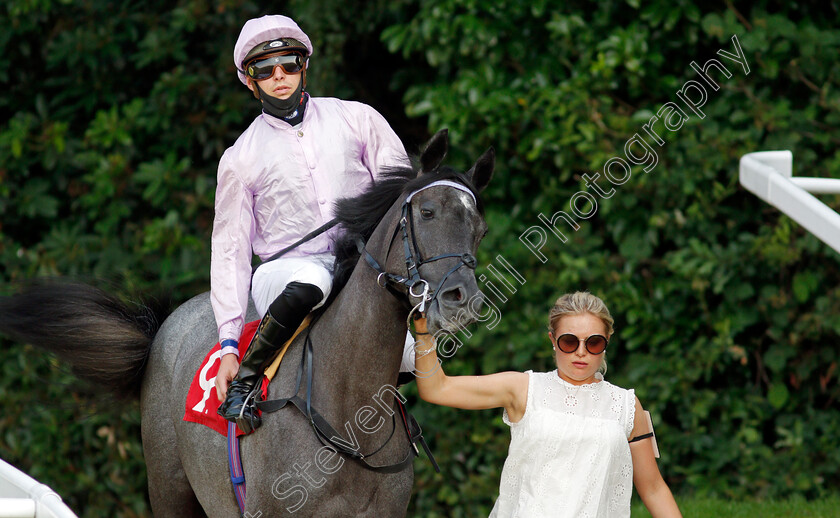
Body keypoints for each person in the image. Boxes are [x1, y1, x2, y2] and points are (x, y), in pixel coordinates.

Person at [211, 14, 414, 433]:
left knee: (414, 357)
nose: (279, 76)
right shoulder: (239, 158)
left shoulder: (359, 119)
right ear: (249, 81)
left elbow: (401, 198)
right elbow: (230, 251)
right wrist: (228, 344)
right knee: (312, 280)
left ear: (306, 66)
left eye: (289, 63)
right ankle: (246, 383)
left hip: (359, 268)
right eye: (264, 70)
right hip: (285, 274)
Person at [412, 291, 682, 517]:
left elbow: (654, 488)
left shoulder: (626, 404)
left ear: (606, 343)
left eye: (594, 343)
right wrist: (423, 330)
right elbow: (437, 388)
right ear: (553, 341)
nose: (580, 351)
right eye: (569, 341)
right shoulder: (523, 389)